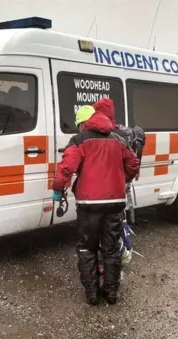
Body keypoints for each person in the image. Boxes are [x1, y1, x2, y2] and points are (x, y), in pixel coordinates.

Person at [52, 105, 139, 306]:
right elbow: (133, 164)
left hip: (89, 204)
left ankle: (92, 294)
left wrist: (58, 188)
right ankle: (111, 293)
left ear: (84, 123)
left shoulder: (79, 140)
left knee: (87, 248)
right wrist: (119, 180)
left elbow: (67, 167)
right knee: (110, 249)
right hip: (115, 203)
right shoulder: (118, 140)